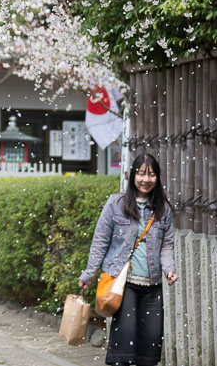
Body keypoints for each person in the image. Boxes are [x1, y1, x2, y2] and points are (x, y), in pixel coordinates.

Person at [78, 152, 178, 366]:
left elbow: (167, 245)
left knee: (150, 346)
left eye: (151, 175)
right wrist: (89, 273)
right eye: (141, 174)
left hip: (153, 285)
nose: (146, 179)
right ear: (133, 176)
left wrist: (169, 268)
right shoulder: (117, 203)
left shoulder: (163, 209)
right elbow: (100, 240)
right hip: (123, 284)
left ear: (157, 178)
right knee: (124, 343)